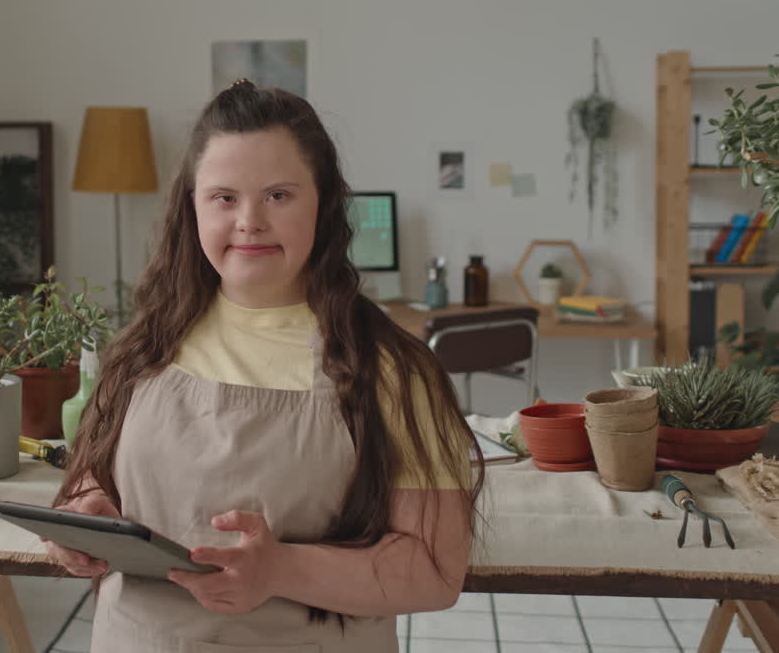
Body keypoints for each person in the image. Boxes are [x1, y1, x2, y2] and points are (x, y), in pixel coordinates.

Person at [51, 79, 484, 652]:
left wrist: (281, 571)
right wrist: (84, 510)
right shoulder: (146, 344)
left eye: (278, 195)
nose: (249, 220)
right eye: (224, 197)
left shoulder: (392, 369)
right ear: (193, 207)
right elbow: (96, 474)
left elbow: (433, 570)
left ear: (324, 203)